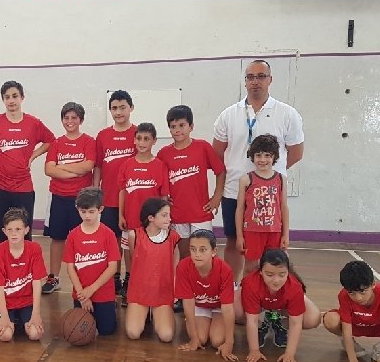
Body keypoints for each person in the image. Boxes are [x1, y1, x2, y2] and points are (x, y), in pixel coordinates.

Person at [212, 60, 304, 282]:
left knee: (271, 245)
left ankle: (267, 289)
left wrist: (266, 178)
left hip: (269, 196)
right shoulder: (228, 114)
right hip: (234, 191)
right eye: (250, 77)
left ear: (270, 80)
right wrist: (222, 189)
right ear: (245, 81)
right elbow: (216, 154)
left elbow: (296, 152)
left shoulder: (287, 114)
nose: (256, 81)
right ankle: (233, 289)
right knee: (234, 241)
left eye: (261, 76)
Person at [157, 104, 226, 312]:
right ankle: (186, 293)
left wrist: (216, 197)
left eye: (181, 125)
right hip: (177, 215)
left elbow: (220, 171)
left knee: (205, 254)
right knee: (185, 256)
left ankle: (211, 292)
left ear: (191, 126)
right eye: (173, 126)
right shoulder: (164, 154)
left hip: (200, 213)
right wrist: (163, 200)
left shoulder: (202, 147)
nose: (177, 130)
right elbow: (158, 180)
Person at [0, 81, 55, 243]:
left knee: (24, 233)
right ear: (3, 100)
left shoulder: (33, 123)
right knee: (0, 232)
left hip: (23, 187)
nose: (11, 100)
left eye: (15, 96)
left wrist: (34, 155)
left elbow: (51, 140)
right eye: (7, 97)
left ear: (22, 97)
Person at [42, 102, 96, 294]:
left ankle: (83, 278)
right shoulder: (56, 143)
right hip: (58, 197)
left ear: (81, 120)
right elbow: (49, 170)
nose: (70, 121)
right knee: (57, 238)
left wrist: (62, 167)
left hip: (81, 200)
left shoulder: (89, 141)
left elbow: (88, 166)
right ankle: (54, 278)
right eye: (66, 118)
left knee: (82, 239)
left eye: (74, 117)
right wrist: (76, 170)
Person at [235, 248, 321, 362]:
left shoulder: (294, 287)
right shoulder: (251, 283)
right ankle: (263, 322)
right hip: (262, 306)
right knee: (234, 306)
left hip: (283, 308)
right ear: (260, 272)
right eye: (270, 275)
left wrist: (290, 353)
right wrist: (254, 350)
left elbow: (296, 323)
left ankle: (279, 324)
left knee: (313, 318)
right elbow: (251, 320)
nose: (276, 280)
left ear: (288, 272)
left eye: (282, 275)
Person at [117, 122, 170, 297]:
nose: (142, 142)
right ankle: (130, 279)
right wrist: (120, 215)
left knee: (151, 253)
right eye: (139, 138)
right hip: (131, 218)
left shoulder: (160, 165)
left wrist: (163, 219)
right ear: (134, 140)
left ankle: (150, 284)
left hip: (152, 223)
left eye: (146, 139)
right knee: (129, 251)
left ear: (154, 141)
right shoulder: (126, 165)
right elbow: (122, 192)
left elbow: (163, 197)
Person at [93, 90, 136, 296]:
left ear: (131, 108)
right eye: (114, 108)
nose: (118, 112)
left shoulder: (138, 134)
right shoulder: (103, 135)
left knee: (128, 241)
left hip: (132, 199)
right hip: (108, 197)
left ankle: (130, 278)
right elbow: (98, 166)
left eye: (122, 107)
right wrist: (95, 191)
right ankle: (115, 277)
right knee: (113, 241)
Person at [63, 187, 120, 336]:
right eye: (83, 211)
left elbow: (112, 267)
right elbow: (70, 268)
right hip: (81, 294)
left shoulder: (108, 234)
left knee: (107, 331)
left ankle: (111, 308)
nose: (87, 215)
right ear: (77, 209)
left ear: (100, 209)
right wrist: (82, 295)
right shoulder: (73, 236)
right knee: (79, 330)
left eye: (91, 211)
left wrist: (91, 289)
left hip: (103, 293)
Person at [174, 229, 237, 360]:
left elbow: (227, 307)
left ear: (214, 251)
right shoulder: (183, 267)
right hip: (199, 305)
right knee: (200, 339)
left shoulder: (225, 270)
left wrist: (229, 342)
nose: (197, 254)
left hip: (219, 306)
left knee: (217, 341)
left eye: (203, 250)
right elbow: (188, 303)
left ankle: (221, 324)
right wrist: (193, 338)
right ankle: (203, 326)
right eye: (193, 249)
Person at [125, 197, 180, 342]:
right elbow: (134, 261)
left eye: (169, 215)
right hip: (140, 292)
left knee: (166, 336)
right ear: (151, 218)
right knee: (133, 333)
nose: (169, 219)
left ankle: (157, 314)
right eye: (164, 215)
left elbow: (175, 266)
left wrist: (174, 291)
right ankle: (144, 313)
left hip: (162, 292)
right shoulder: (134, 235)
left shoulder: (173, 237)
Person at [323, 260, 380, 362]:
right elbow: (346, 330)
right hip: (357, 326)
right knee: (330, 319)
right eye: (351, 293)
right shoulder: (343, 296)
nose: (358, 298)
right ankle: (352, 346)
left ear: (373, 284)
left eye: (362, 291)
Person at [235, 134, 289, 278]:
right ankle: (246, 290)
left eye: (267, 155)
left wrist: (285, 234)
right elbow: (240, 209)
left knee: (274, 266)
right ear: (252, 156)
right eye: (258, 155)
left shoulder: (281, 179)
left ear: (274, 157)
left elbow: (284, 207)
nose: (262, 159)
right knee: (250, 267)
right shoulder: (246, 179)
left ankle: (268, 291)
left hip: (274, 231)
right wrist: (240, 236)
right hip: (252, 231)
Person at [0, 208, 47, 342]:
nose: (14, 233)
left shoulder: (34, 249)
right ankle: (9, 320)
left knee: (35, 335)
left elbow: (37, 282)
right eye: (10, 229)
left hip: (26, 302)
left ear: (26, 230)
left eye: (18, 229)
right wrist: (4, 315)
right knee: (6, 336)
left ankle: (21, 322)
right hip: (6, 303)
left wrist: (36, 313)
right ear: (4, 231)